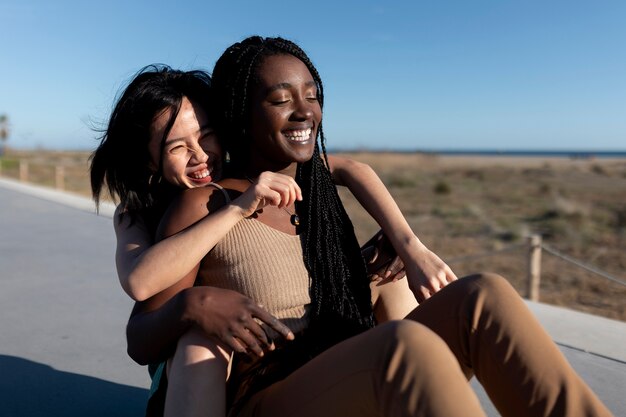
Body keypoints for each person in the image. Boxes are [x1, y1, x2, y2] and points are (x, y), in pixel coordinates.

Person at [127, 36, 613, 417]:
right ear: (240, 113)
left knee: (484, 295)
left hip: (348, 371)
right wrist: (194, 305)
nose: (304, 111)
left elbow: (353, 169)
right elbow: (142, 335)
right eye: (280, 99)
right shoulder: (206, 203)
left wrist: (399, 255)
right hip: (269, 396)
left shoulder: (320, 188)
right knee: (405, 347)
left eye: (312, 96)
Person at [90, 64, 449, 416]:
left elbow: (352, 169)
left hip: (260, 345)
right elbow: (139, 282)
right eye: (176, 147)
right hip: (195, 360)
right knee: (198, 341)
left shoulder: (234, 181)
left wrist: (408, 247)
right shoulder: (136, 214)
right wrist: (235, 212)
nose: (200, 156)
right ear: (149, 160)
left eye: (206, 135)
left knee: (389, 276)